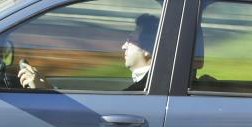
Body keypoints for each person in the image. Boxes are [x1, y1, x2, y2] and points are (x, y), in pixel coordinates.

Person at [18, 13, 159, 91]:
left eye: (131, 40)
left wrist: (43, 91)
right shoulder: (147, 86)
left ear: (148, 50)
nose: (123, 46)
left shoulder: (143, 89)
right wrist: (48, 88)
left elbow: (96, 116)